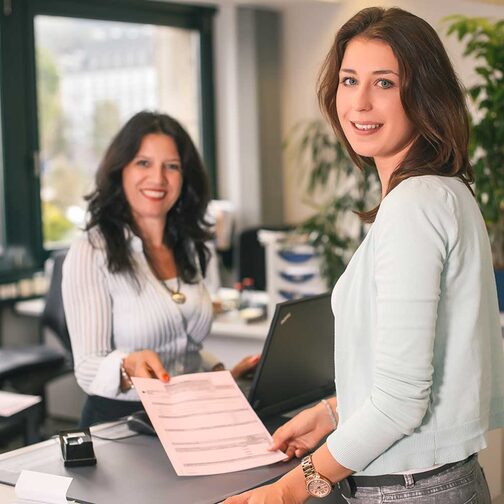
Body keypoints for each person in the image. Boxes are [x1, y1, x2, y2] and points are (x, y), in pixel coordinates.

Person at [225, 7, 504, 504]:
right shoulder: (447, 193)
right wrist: (335, 411)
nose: (359, 102)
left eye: (385, 83)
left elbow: (401, 402)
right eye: (350, 79)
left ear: (423, 96)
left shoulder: (414, 206)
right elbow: (423, 373)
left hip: (412, 492)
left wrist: (288, 489)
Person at [62, 111, 258, 428]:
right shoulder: (91, 251)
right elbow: (87, 367)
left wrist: (220, 376)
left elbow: (187, 349)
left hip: (187, 415)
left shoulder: (194, 246)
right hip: (121, 424)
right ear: (120, 171)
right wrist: (128, 367)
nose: (158, 178)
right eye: (143, 163)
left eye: (171, 166)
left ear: (185, 176)